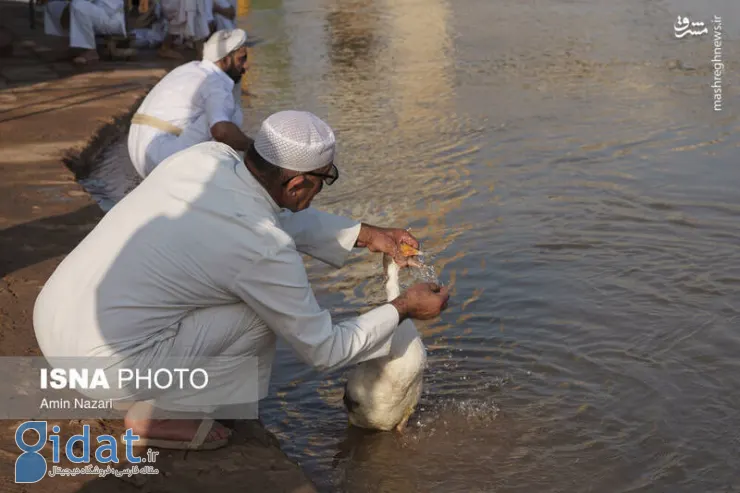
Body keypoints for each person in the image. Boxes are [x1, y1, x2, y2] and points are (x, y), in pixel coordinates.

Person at [33, 110, 450, 451]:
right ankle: (162, 417)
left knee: (240, 292)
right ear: (299, 182)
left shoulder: (207, 158)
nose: (322, 189)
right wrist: (403, 307)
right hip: (104, 367)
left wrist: (369, 234)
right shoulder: (263, 247)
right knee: (261, 314)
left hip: (54, 317)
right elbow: (324, 350)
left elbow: (270, 214)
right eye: (326, 179)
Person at [127, 28, 251, 178]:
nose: (246, 66)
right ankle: (220, 177)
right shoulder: (215, 82)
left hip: (138, 151)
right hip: (162, 157)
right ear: (225, 60)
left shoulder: (190, 68)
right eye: (241, 59)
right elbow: (222, 132)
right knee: (229, 115)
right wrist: (255, 150)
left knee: (218, 113)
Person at [40, 0, 128, 64]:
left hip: (110, 19)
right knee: (52, 5)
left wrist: (67, 13)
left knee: (77, 5)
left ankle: (90, 50)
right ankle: (71, 46)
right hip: (92, 13)